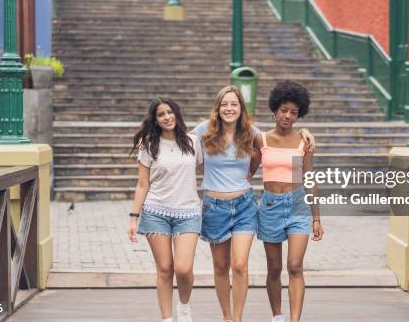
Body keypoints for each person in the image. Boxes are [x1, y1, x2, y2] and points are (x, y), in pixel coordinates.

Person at [192, 86, 315, 322]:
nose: (229, 108)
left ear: (241, 108)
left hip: (244, 205)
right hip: (214, 206)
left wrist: (306, 132)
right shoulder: (203, 131)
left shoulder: (252, 133)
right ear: (217, 108)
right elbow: (182, 143)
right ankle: (227, 317)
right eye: (224, 104)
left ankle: (238, 318)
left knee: (239, 265)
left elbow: (281, 139)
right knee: (220, 267)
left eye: (234, 104)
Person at [254, 80, 324, 322]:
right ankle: (278, 317)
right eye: (284, 110)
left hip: (297, 204)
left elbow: (310, 178)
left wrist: (316, 217)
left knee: (295, 265)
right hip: (270, 205)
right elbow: (246, 172)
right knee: (274, 269)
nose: (287, 116)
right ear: (275, 110)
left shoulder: (304, 141)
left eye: (293, 112)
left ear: (299, 114)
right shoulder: (261, 140)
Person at [128, 98, 203, 322]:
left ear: (177, 114)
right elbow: (142, 184)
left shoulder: (193, 141)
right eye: (161, 114)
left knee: (183, 268)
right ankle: (166, 318)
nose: (167, 117)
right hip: (155, 212)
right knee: (164, 269)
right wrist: (134, 217)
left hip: (188, 212)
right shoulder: (149, 145)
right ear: (156, 120)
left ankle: (184, 305)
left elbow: (209, 168)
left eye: (170, 112)